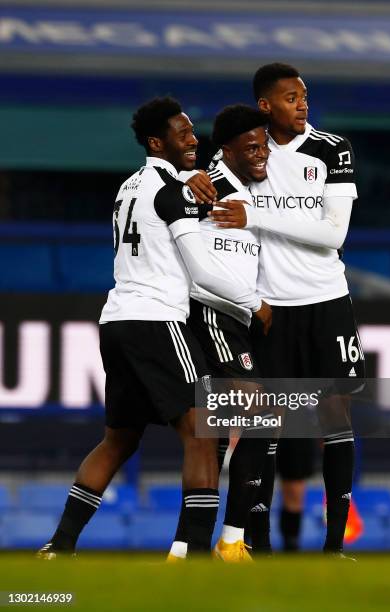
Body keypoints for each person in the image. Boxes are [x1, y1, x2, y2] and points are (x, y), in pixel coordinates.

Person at [37, 96, 265, 559]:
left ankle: (59, 546)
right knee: (203, 430)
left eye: (192, 132)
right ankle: (194, 550)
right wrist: (254, 301)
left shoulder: (128, 187)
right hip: (157, 317)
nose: (192, 140)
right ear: (157, 142)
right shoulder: (173, 189)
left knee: (118, 439)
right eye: (183, 134)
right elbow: (206, 251)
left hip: (117, 319)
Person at [210, 63, 365, 557]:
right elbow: (203, 187)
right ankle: (251, 544)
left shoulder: (331, 150)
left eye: (304, 96)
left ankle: (334, 547)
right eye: (291, 97)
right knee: (261, 426)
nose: (302, 103)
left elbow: (333, 234)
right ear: (265, 105)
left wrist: (255, 214)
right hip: (270, 311)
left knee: (335, 419)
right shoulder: (242, 155)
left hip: (326, 302)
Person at [170, 104, 277, 562]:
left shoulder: (245, 190)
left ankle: (183, 549)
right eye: (251, 148)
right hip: (214, 317)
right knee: (261, 418)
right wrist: (253, 302)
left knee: (212, 438)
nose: (261, 155)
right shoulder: (207, 189)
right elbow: (200, 268)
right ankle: (232, 541)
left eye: (264, 147)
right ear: (226, 149)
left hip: (233, 321)